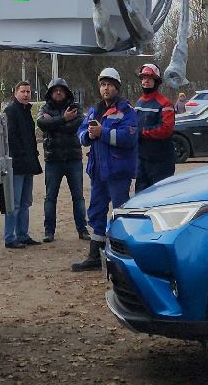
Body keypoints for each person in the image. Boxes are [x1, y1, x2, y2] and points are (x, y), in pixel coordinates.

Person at [71, 66, 138, 272]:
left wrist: (103, 132)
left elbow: (129, 137)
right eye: (102, 84)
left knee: (120, 212)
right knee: (97, 212)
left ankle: (122, 257)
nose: (105, 88)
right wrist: (88, 136)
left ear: (117, 87)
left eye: (109, 84)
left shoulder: (127, 110)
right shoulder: (94, 110)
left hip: (118, 172)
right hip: (98, 171)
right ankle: (95, 255)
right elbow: (81, 132)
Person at [36, 77, 90, 242]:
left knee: (78, 197)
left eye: (61, 90)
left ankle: (82, 229)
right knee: (50, 197)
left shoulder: (76, 108)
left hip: (73, 158)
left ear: (66, 92)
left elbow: (78, 125)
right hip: (53, 159)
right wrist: (64, 119)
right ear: (50, 93)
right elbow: (41, 123)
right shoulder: (44, 108)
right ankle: (49, 232)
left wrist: (55, 124)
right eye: (55, 90)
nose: (58, 92)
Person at [3, 80, 41, 248]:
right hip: (17, 165)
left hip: (28, 164)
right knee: (15, 203)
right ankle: (10, 237)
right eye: (23, 91)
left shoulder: (27, 112)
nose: (26, 94)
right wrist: (23, 156)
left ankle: (23, 234)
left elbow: (31, 139)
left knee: (25, 202)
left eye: (28, 92)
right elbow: (11, 139)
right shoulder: (11, 112)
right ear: (15, 93)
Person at [133, 63, 178, 191]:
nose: (145, 81)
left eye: (149, 78)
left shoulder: (165, 103)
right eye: (143, 78)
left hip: (161, 162)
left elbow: (166, 129)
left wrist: (142, 132)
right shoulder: (139, 102)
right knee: (140, 197)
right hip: (142, 160)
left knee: (160, 198)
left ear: (156, 81)